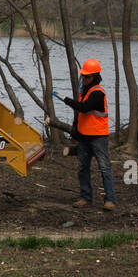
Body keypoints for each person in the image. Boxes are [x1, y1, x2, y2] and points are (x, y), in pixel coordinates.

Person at [54, 58, 117, 212]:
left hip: (98, 137)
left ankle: (110, 200)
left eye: (87, 76)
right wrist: (76, 129)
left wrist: (65, 99)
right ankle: (86, 198)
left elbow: (83, 108)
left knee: (104, 168)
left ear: (94, 77)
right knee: (83, 168)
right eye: (83, 76)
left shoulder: (98, 93)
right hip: (84, 137)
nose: (84, 78)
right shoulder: (85, 90)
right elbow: (81, 114)